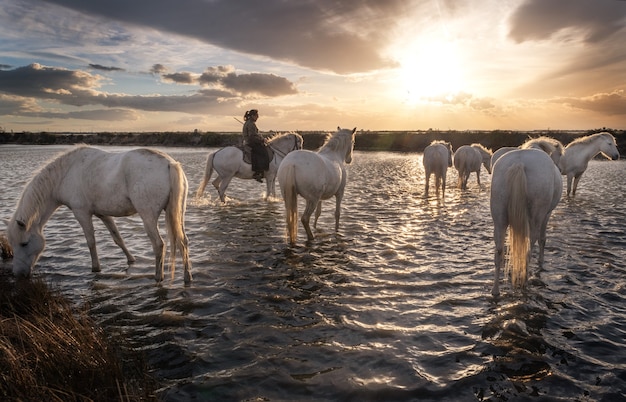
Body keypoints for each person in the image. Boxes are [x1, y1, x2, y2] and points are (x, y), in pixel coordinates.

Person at [242, 109, 269, 182]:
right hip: (251, 142)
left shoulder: (250, 123)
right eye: (257, 116)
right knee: (262, 152)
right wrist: (262, 140)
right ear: (253, 116)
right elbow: (252, 136)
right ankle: (257, 172)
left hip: (250, 141)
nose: (257, 117)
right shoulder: (251, 124)